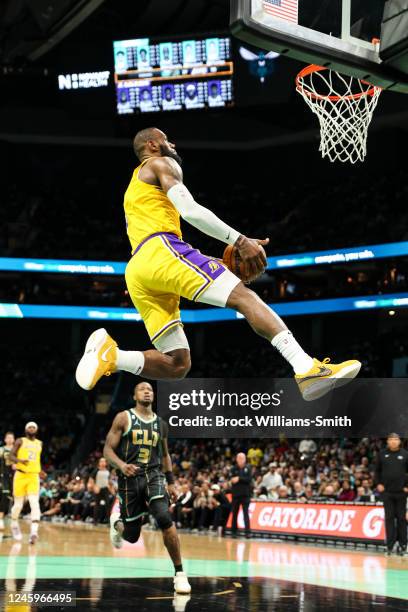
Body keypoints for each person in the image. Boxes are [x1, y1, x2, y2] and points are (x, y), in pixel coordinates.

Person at [75, 127, 361, 401]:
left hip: (139, 269)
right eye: (167, 140)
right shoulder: (161, 163)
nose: (172, 145)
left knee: (177, 365)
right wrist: (240, 240)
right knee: (245, 298)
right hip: (161, 251)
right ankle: (306, 369)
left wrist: (216, 262)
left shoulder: (135, 186)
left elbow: (167, 246)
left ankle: (113, 356)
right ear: (151, 145)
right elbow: (189, 211)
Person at [103, 381, 191, 594]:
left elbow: (165, 455)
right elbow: (107, 450)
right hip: (129, 480)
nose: (147, 391)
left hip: (153, 476)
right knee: (132, 536)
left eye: (150, 389)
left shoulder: (161, 424)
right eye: (142, 389)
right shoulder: (123, 418)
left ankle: (179, 574)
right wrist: (122, 465)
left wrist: (171, 482)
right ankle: (117, 524)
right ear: (134, 396)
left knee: (163, 517)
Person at [375, 433, 408, 556]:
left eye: (396, 439)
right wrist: (378, 483)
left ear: (399, 441)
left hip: (401, 493)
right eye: (391, 439)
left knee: (401, 519)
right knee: (389, 519)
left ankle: (403, 545)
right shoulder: (382, 454)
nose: (393, 441)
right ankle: (390, 545)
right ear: (387, 441)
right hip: (387, 492)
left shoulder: (405, 454)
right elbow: (377, 471)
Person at [9, 422, 43, 544]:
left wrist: (41, 471)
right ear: (26, 429)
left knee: (35, 503)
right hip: (20, 475)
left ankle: (34, 532)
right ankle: (14, 523)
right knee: (18, 505)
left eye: (34, 427)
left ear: (36, 430)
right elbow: (10, 455)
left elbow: (36, 460)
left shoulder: (40, 443)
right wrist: (19, 460)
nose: (32, 429)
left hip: (33, 476)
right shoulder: (20, 441)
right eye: (29, 427)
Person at [230, 452, 252, 538]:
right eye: (239, 458)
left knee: (246, 513)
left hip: (245, 495)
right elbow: (232, 479)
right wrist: (238, 479)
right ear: (236, 459)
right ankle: (233, 531)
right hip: (235, 495)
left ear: (245, 459)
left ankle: (248, 532)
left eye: (242, 458)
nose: (241, 460)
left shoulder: (248, 468)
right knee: (234, 513)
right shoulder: (233, 469)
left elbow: (249, 479)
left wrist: (239, 478)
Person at [0, 432, 15, 530]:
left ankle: (13, 520)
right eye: (8, 438)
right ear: (5, 439)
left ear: (14, 439)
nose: (9, 439)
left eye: (11, 438)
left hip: (15, 477)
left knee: (14, 498)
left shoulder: (18, 450)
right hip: (4, 476)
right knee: (4, 496)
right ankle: (0, 519)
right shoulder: (1, 449)